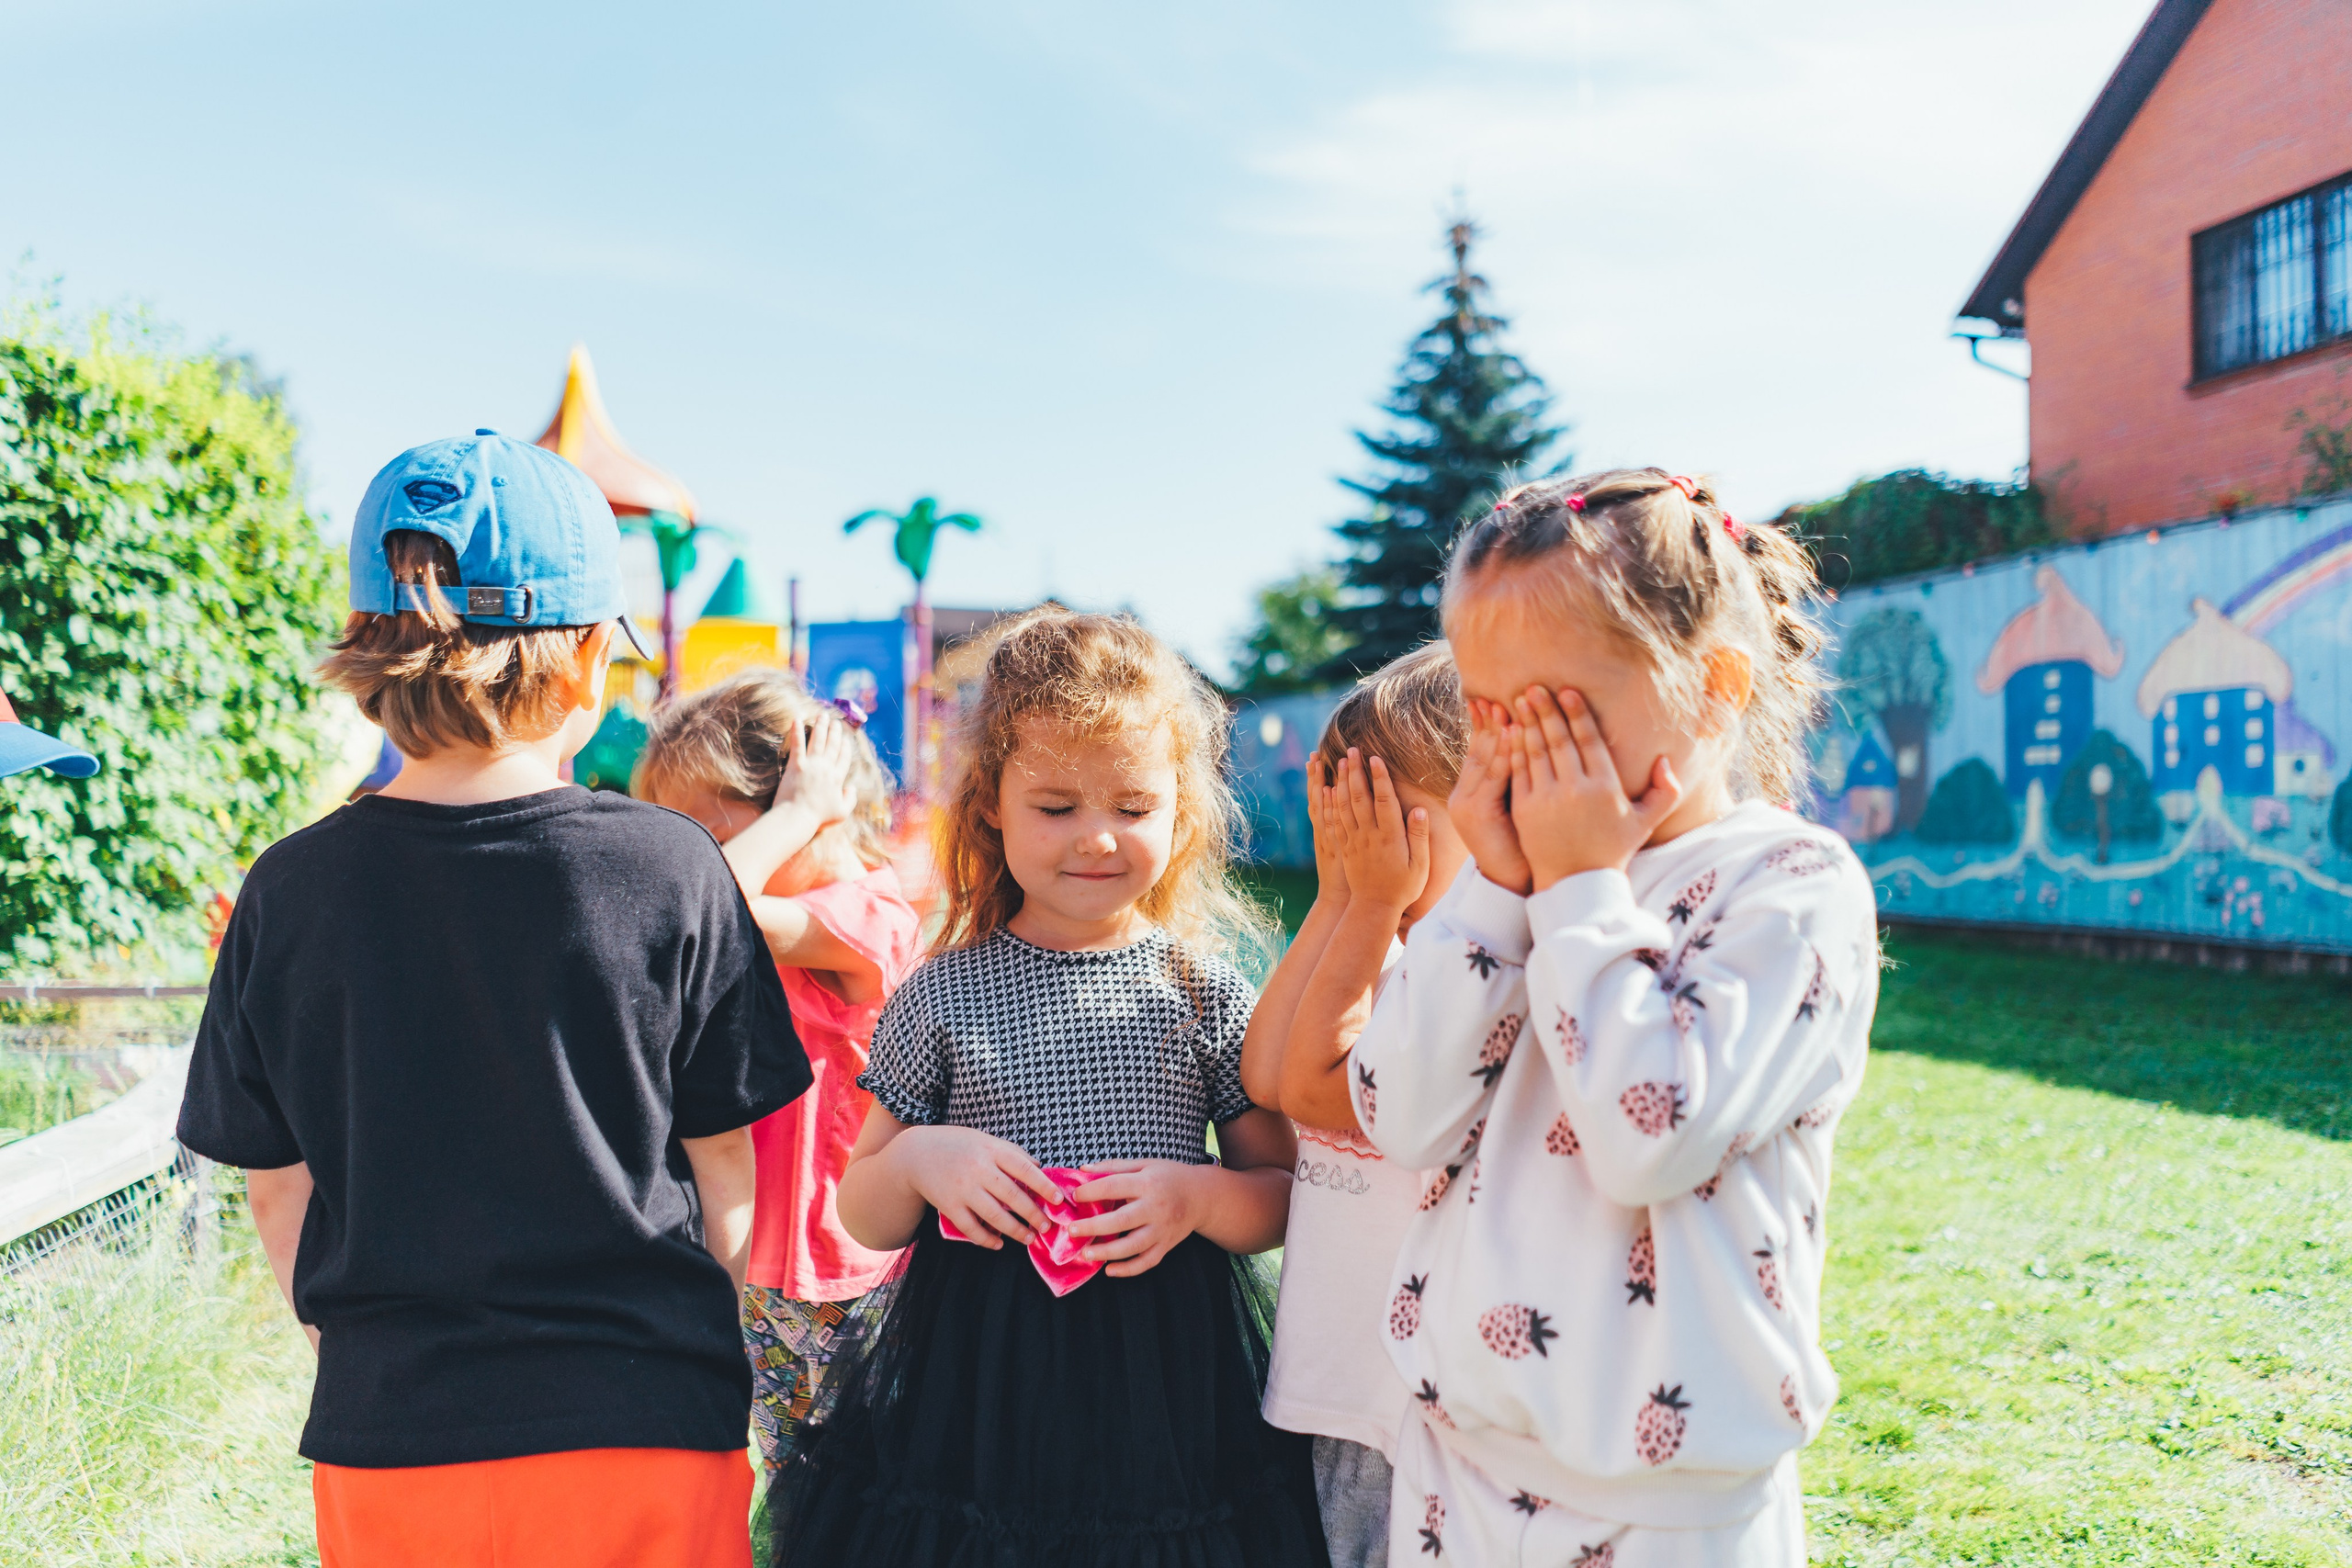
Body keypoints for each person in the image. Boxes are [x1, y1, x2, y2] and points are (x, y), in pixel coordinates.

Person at [175, 431, 810, 1568]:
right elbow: (725, 1169)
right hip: (646, 1423)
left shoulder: (288, 888)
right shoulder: (673, 866)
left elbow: (277, 1190)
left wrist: (354, 1351)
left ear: (366, 647)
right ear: (585, 659)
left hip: (393, 1432)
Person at [1348, 469, 1879, 1565]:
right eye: (1487, 712)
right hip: (1456, 1471)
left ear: (1713, 687)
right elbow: (1397, 1115)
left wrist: (1581, 889)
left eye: (1557, 715)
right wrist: (1495, 895)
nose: (1515, 752)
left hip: (1665, 1510)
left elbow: (1651, 1135)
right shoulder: (1507, 882)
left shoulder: (1789, 886)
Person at [768, 608, 1330, 1567]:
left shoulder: (1203, 990)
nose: (1097, 838)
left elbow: (1281, 1197)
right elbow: (863, 1211)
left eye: (1132, 806)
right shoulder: (941, 991)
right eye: (1057, 806)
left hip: (1168, 1383)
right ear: (991, 803)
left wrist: (1198, 1197)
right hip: (976, 1383)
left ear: (1182, 808)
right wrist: (920, 1157)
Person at [634, 670, 923, 1479]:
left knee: (861, 1477)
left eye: (699, 828)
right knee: (795, 1474)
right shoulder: (752, 908)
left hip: (844, 1271)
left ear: (804, 805)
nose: (681, 851)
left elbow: (683, 906)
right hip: (753, 1263)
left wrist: (795, 815)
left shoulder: (868, 916)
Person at [1239, 643, 1469, 1568]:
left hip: (1419, 1395)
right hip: (1336, 1379)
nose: (1360, 843)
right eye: (1342, 818)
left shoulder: (1469, 976)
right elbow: (1265, 1075)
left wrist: (1368, 905)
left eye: (1384, 817)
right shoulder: (1373, 948)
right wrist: (1343, 899)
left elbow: (1310, 1091)